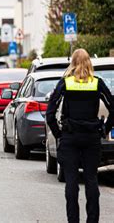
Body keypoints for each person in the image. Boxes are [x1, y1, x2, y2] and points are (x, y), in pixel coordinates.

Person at [46, 49, 113, 223]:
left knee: (71, 183)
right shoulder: (97, 83)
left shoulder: (65, 83)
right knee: (91, 179)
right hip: (91, 138)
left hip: (70, 137)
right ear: (89, 62)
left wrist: (58, 134)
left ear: (73, 63)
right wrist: (105, 129)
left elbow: (50, 112)